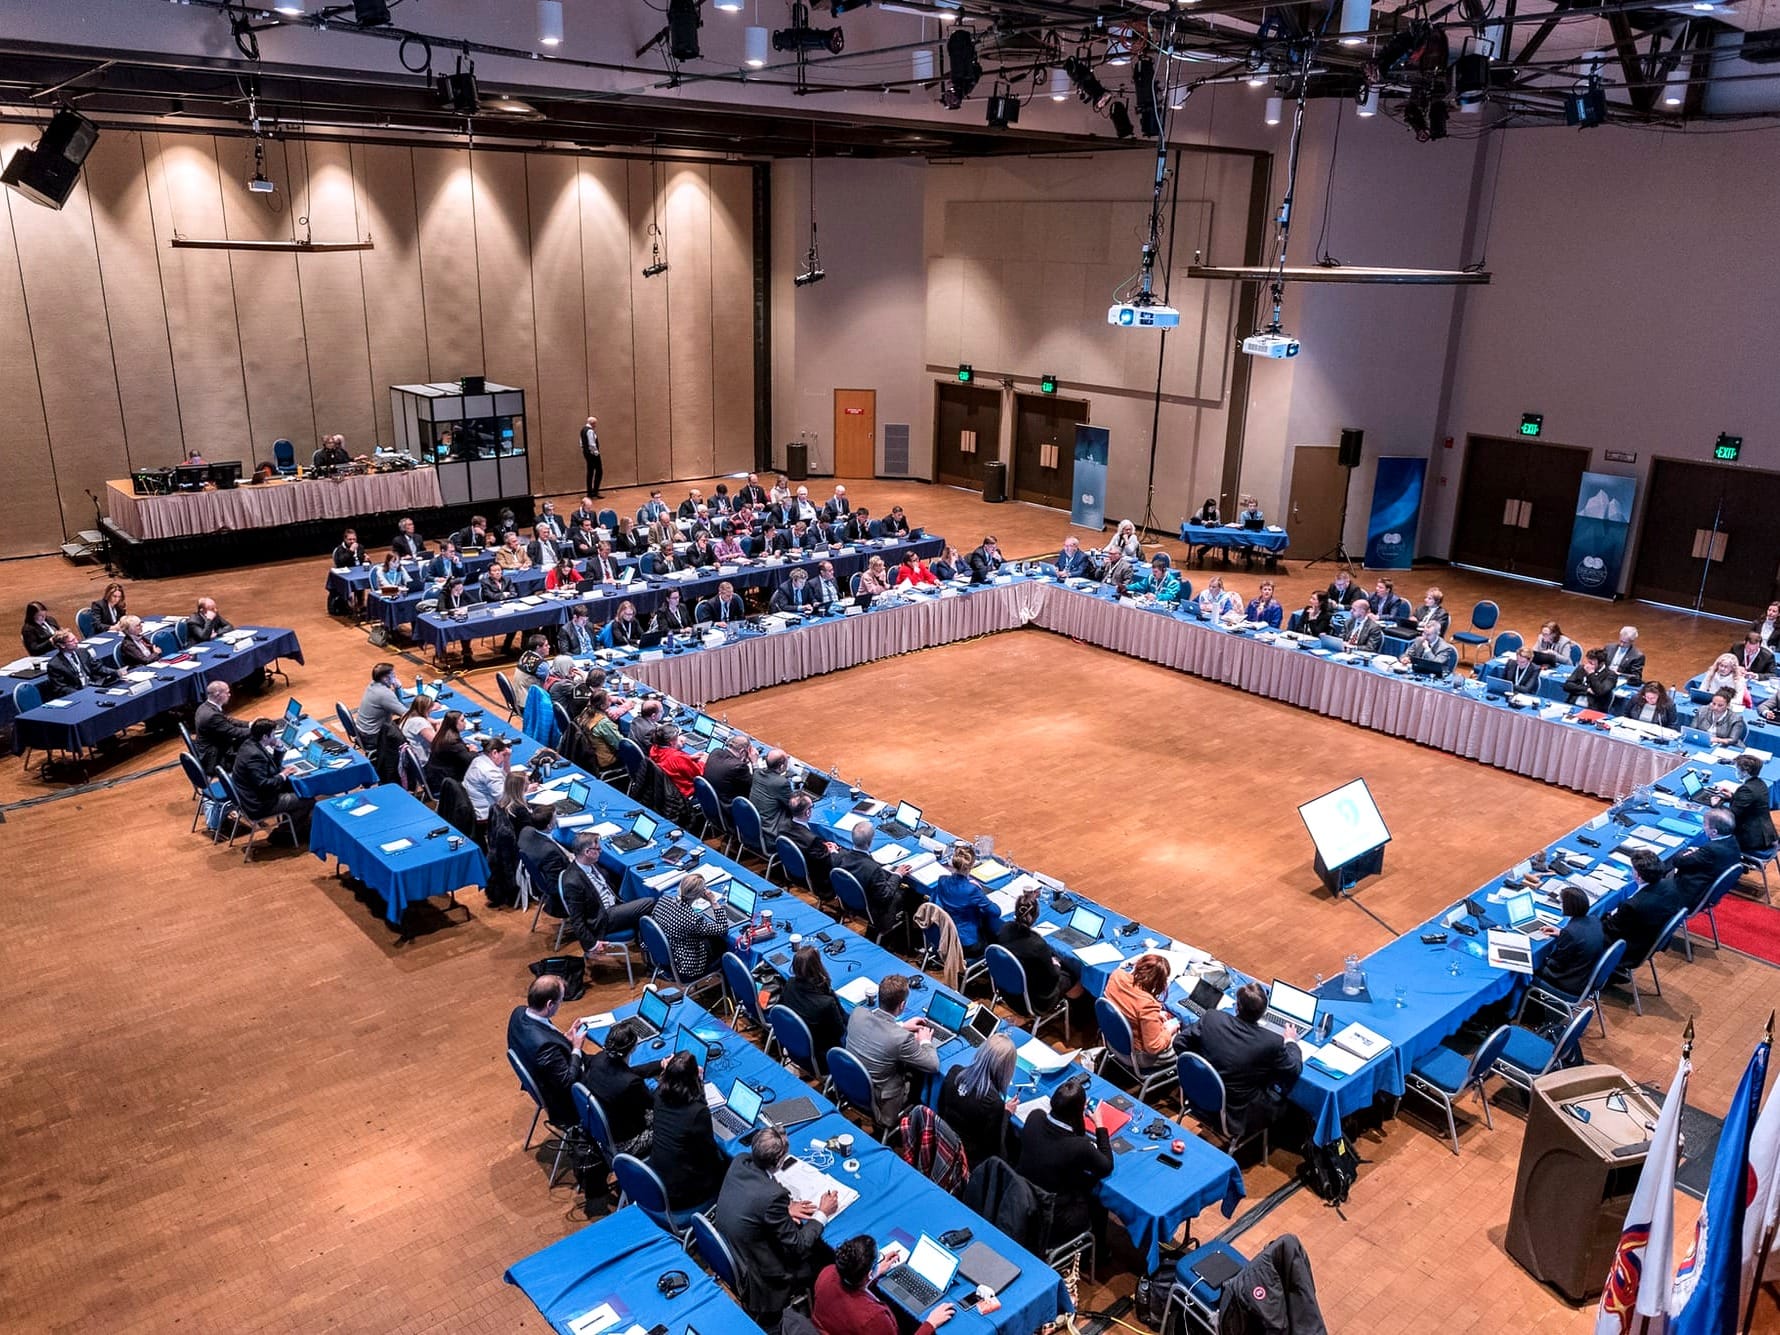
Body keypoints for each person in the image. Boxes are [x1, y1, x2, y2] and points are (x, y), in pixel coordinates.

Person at [714, 1125, 834, 1317]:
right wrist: (822, 1213)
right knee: (825, 1256)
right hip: (765, 1277)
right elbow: (799, 1244)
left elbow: (754, 1201)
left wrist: (784, 1209)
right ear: (779, 1160)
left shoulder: (740, 1161)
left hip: (739, 1250)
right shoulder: (772, 1196)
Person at [1179, 981, 1303, 1140]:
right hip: (1237, 1115)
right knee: (1285, 1103)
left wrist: (1197, 1069)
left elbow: (1179, 1043)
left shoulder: (1212, 1017)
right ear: (1263, 1012)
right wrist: (1291, 1041)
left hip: (1195, 1096)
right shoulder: (1271, 1042)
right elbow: (1293, 1068)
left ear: (1237, 1007)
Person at [1017, 1075, 1113, 1250]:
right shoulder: (1079, 1146)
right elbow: (1106, 1166)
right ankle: (1098, 1254)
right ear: (1080, 1111)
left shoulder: (1035, 1117)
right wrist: (1100, 1126)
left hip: (1022, 1199)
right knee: (1098, 1198)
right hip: (1054, 1216)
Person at [844, 974, 938, 1126]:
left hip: (849, 1084)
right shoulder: (901, 1039)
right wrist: (925, 1041)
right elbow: (933, 1065)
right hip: (881, 1102)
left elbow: (877, 1030)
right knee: (919, 1073)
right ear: (902, 1005)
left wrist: (901, 1026)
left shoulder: (858, 1013)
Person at [815, 1235, 955, 1335]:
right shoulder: (872, 1318)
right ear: (869, 1273)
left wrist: (876, 1271)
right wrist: (931, 1324)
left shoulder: (826, 1273)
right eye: (878, 1259)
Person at [506, 973, 594, 1128]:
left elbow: (545, 1033)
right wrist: (576, 1048)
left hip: (550, 1074)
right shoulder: (544, 1047)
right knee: (616, 1077)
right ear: (549, 1005)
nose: (561, 1004)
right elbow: (568, 1082)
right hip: (567, 1101)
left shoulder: (519, 1013)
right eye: (560, 1001)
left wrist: (564, 1038)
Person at [651, 1050, 728, 1209]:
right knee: (728, 1165)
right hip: (684, 1193)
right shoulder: (697, 1112)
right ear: (693, 1078)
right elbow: (710, 1152)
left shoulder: (659, 1094)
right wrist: (700, 1086)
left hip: (658, 1176)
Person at [561, 831, 656, 954]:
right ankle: (650, 949)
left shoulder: (590, 863)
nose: (601, 851)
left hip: (614, 903)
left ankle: (644, 943)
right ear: (587, 852)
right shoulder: (572, 882)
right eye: (598, 849)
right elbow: (576, 919)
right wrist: (592, 944)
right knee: (650, 902)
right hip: (603, 917)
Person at [995, 889, 1084, 1016]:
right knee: (1073, 975)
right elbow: (1053, 976)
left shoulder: (1005, 929)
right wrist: (1056, 965)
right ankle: (1080, 1019)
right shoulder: (1037, 945)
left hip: (1006, 991)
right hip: (1034, 1002)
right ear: (1036, 915)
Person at [937, 1034, 1018, 1169]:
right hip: (967, 1161)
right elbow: (994, 1150)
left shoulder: (954, 1072)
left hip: (943, 1143)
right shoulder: (993, 1103)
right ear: (1006, 1069)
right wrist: (1006, 1114)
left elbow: (940, 1108)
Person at [229, 718, 314, 839]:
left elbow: (272, 767)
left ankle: (292, 826)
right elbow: (264, 784)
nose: (275, 737)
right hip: (259, 805)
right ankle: (288, 834)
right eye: (273, 734)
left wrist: (279, 748)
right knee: (307, 799)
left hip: (253, 796)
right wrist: (283, 774)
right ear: (264, 736)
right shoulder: (254, 755)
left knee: (292, 787)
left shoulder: (249, 743)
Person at [579, 1023, 653, 1158]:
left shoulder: (599, 1059)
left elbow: (627, 1073)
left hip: (602, 1131)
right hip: (626, 1142)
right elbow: (653, 1105)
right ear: (634, 1047)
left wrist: (660, 1065)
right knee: (672, 1123)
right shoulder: (631, 1083)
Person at [1601, 848, 1685, 965]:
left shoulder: (1633, 906)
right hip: (1648, 938)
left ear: (1638, 876)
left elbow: (1609, 929)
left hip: (1631, 949)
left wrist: (1602, 917)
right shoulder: (1670, 884)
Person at [1104, 954, 1183, 1067]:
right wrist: (1169, 1030)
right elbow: (1153, 1047)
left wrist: (1153, 1016)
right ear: (1159, 983)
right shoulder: (1147, 1005)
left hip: (1112, 1042)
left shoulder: (1116, 975)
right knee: (1185, 1040)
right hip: (1135, 1057)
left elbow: (1128, 1008)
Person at [488, 771, 551, 908]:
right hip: (524, 850)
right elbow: (533, 831)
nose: (529, 783)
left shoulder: (502, 804)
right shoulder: (520, 811)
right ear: (520, 788)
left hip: (510, 850)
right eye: (527, 783)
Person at [651, 873, 730, 981]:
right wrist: (713, 901)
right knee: (722, 944)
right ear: (699, 894)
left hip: (661, 955)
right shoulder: (693, 919)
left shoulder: (663, 899)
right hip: (685, 966)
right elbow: (723, 927)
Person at [1535, 885, 1606, 997]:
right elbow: (1579, 938)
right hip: (1585, 974)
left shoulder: (1570, 933)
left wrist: (1542, 960)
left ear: (1569, 906)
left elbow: (1557, 965)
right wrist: (1561, 933)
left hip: (1569, 981)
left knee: (1530, 970)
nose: (1560, 905)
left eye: (1562, 903)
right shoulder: (1594, 920)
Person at [780, 945, 849, 1060]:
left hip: (794, 1044)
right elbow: (840, 1031)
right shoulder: (826, 1003)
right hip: (821, 1056)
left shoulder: (790, 984)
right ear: (818, 967)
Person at [1665, 809, 1742, 910]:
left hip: (1688, 895)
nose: (1703, 827)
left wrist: (1686, 851)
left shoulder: (1711, 850)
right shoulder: (1732, 840)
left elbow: (1678, 861)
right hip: (1706, 889)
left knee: (1662, 868)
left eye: (1705, 824)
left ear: (1714, 832)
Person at [932, 845, 998, 955]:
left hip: (946, 936)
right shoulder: (972, 890)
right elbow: (996, 911)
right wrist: (979, 890)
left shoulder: (942, 880)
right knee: (995, 935)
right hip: (968, 944)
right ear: (970, 866)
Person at [781, 792, 838, 895]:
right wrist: (832, 851)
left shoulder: (782, 827)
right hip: (817, 880)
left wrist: (823, 847)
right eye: (811, 807)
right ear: (807, 812)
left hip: (792, 871)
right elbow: (827, 863)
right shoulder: (812, 840)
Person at [194, 680, 252, 775]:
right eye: (227, 692)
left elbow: (228, 721)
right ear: (218, 695)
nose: (229, 695)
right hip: (216, 759)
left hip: (211, 748)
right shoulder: (212, 715)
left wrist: (250, 724)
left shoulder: (204, 707)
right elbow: (233, 732)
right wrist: (256, 730)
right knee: (253, 758)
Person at [1724, 753, 1777, 853]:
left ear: (1745, 772)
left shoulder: (1746, 789)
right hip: (1767, 833)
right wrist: (1732, 797)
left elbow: (1731, 815)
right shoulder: (1760, 783)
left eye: (1737, 769)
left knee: (1717, 837)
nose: (1735, 771)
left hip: (1751, 839)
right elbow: (1750, 803)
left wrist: (1716, 805)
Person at [45, 628, 119, 696]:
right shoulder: (55, 664)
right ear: (62, 645)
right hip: (78, 692)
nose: (76, 642)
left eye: (75, 639)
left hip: (94, 686)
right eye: (72, 641)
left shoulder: (83, 652)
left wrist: (116, 672)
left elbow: (97, 667)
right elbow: (61, 688)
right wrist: (81, 694)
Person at [355, 662, 406, 755]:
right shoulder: (384, 694)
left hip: (362, 732)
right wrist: (398, 688)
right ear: (385, 678)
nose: (395, 677)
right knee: (408, 738)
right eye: (393, 675)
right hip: (373, 737)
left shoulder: (372, 684)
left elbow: (396, 705)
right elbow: (406, 714)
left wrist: (397, 688)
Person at [748, 749, 796, 839]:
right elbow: (792, 806)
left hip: (751, 827)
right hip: (770, 833)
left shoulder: (757, 774)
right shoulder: (781, 782)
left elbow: (756, 769)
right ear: (781, 766)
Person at [464, 735, 513, 820]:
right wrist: (524, 791)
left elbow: (505, 776)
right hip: (486, 816)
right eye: (503, 755)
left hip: (473, 807)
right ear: (494, 753)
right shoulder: (489, 772)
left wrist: (506, 760)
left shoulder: (478, 760)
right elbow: (504, 800)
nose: (503, 758)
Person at [651, 724, 706, 799]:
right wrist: (703, 761)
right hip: (684, 794)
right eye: (677, 737)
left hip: (665, 790)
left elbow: (669, 762)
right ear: (671, 742)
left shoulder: (654, 748)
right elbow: (698, 774)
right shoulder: (677, 758)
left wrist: (688, 758)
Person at [703, 732, 756, 810]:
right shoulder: (739, 767)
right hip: (729, 810)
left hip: (710, 804)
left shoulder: (715, 752)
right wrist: (755, 763)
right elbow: (755, 786)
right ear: (742, 752)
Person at [424, 709, 475, 791]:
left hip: (435, 775)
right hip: (444, 782)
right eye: (462, 721)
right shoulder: (453, 742)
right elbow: (469, 760)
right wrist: (473, 751)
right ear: (454, 724)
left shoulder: (442, 734)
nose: (465, 722)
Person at [397, 694, 435, 774]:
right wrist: (439, 727)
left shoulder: (406, 715)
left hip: (410, 759)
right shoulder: (420, 723)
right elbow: (437, 743)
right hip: (423, 762)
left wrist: (434, 722)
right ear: (426, 709)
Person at [580, 415, 602, 497]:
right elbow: (592, 444)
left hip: (587, 454)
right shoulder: (590, 431)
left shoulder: (583, 430)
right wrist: (596, 453)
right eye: (595, 423)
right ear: (592, 423)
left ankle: (589, 492)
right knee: (599, 471)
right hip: (593, 454)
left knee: (590, 472)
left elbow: (581, 443)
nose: (596, 425)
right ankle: (595, 491)